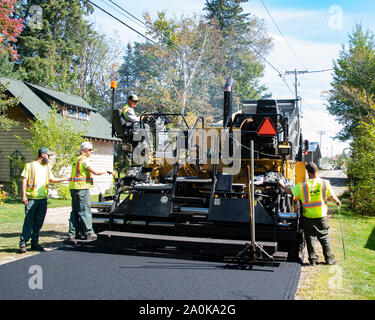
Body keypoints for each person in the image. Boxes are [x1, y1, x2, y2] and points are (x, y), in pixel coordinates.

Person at [278, 162, 341, 266]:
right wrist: (338, 202)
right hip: (321, 215)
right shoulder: (325, 183)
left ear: (308, 173)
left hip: (308, 216)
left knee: (310, 237)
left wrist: (281, 184)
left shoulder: (303, 185)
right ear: (317, 171)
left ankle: (312, 260)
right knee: (324, 236)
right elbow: (333, 197)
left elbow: (290, 192)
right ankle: (329, 259)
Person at [20, 147, 69, 253]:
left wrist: (64, 179)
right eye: (48, 155)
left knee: (38, 223)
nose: (49, 157)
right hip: (32, 199)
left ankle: (35, 244)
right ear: (43, 155)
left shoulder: (46, 167)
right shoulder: (30, 166)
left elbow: (51, 179)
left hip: (43, 199)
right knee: (29, 222)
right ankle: (23, 243)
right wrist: (23, 195)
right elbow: (24, 181)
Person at [64, 142, 114, 243]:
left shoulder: (76, 159)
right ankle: (89, 233)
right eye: (90, 150)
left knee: (75, 212)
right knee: (85, 211)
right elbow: (94, 172)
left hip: (73, 188)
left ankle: (71, 235)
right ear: (85, 150)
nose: (91, 152)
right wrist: (107, 170)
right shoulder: (85, 160)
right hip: (81, 189)